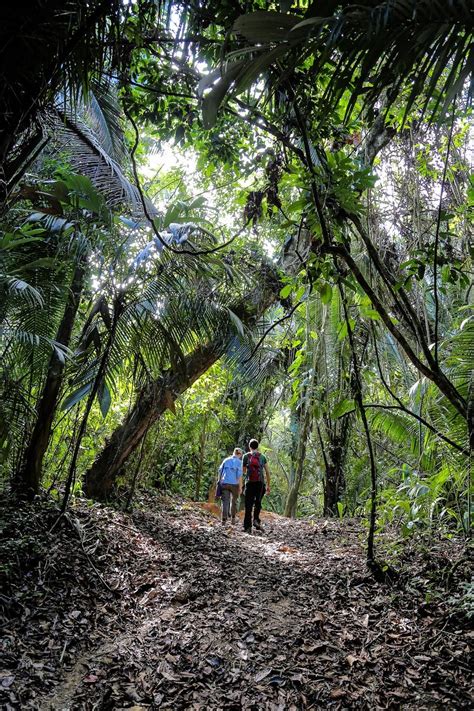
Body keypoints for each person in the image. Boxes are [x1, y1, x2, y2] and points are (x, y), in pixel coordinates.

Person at [242, 439, 271, 533]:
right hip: (260, 483)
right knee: (258, 503)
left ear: (249, 447)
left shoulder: (246, 456)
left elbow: (243, 471)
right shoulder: (262, 457)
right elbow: (267, 472)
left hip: (249, 483)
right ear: (257, 446)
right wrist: (268, 486)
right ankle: (256, 520)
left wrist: (242, 483)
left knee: (248, 504)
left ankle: (247, 527)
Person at [218, 447, 243, 525]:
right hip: (234, 484)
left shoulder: (226, 460)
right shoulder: (239, 462)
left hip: (224, 483)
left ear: (233, 453)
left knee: (225, 501)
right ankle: (233, 519)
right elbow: (239, 476)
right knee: (234, 501)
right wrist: (240, 487)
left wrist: (219, 481)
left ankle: (224, 519)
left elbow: (220, 471)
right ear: (240, 455)